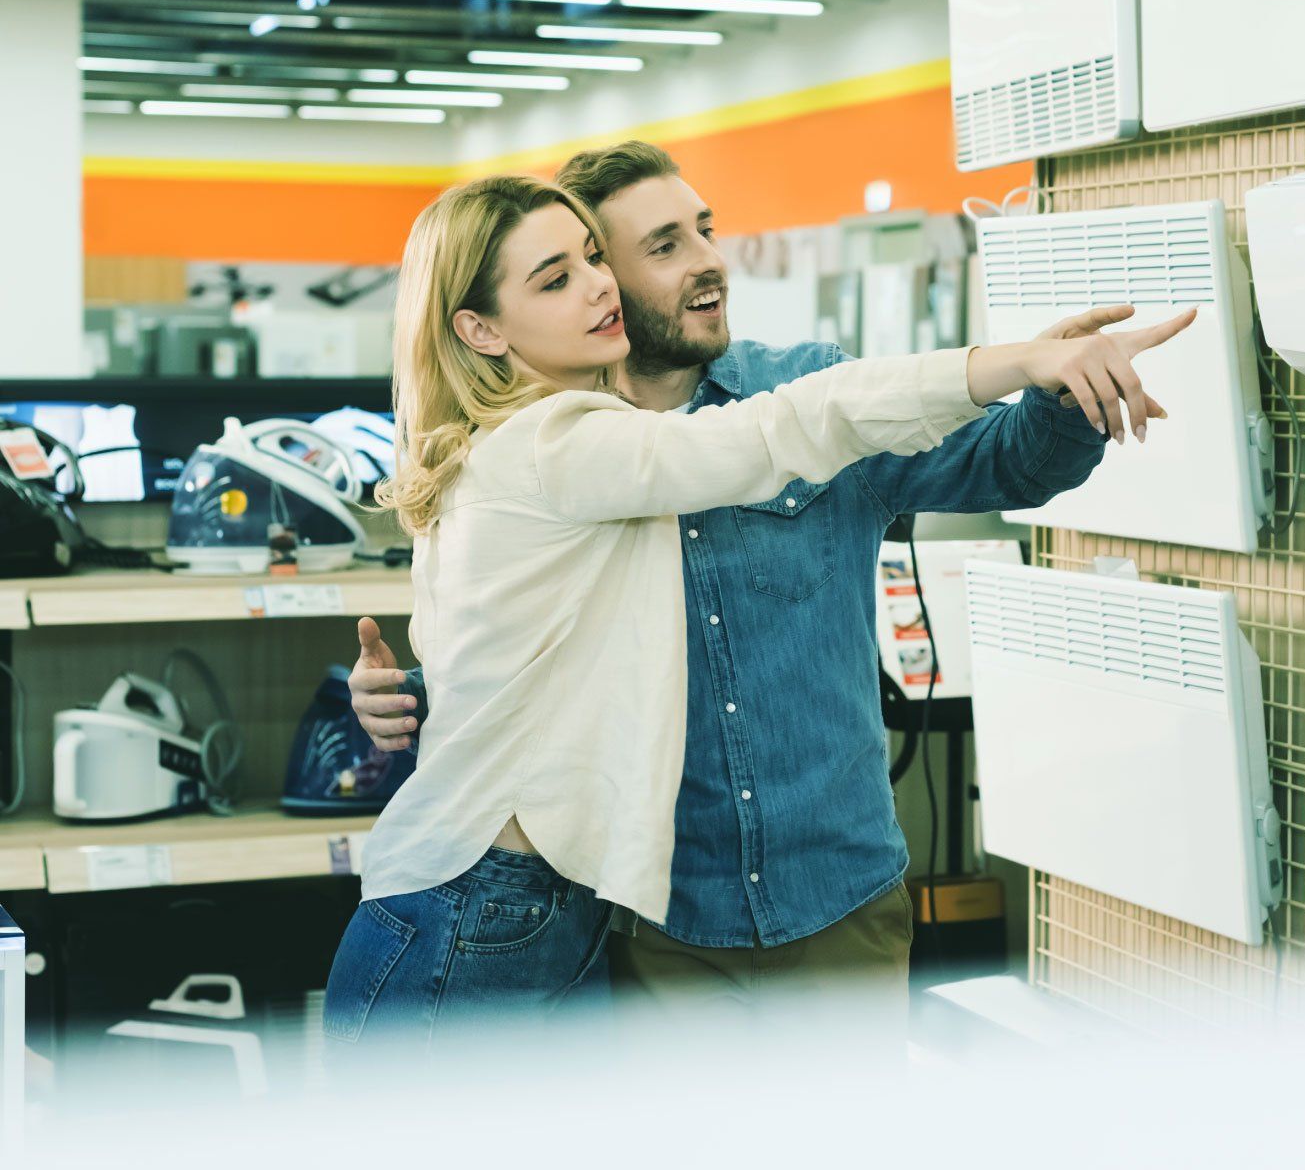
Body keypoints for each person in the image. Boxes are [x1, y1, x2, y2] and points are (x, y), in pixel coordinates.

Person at [325, 169, 1190, 1048]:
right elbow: (786, 431)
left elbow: (1005, 462)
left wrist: (1061, 389)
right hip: (633, 913)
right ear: (485, 325)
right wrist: (1012, 358)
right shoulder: (563, 441)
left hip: (820, 891)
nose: (706, 262)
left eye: (702, 230)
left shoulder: (580, 431)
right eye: (659, 247)